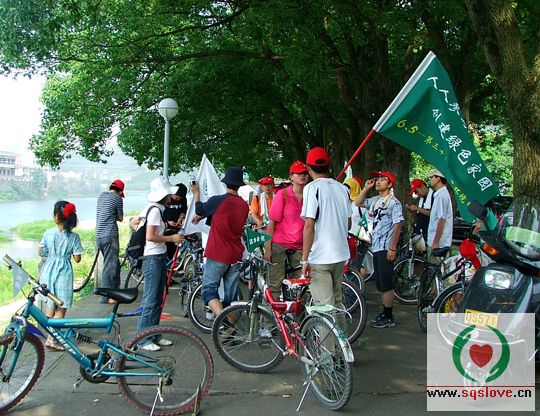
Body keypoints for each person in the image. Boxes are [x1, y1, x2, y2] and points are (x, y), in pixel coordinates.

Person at [300, 148, 351, 327]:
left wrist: (304, 259)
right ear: (328, 165)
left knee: (325, 309)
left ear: (308, 167)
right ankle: (342, 343)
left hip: (320, 257)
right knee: (337, 303)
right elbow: (348, 223)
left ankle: (329, 346)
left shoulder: (311, 188)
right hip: (340, 254)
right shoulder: (342, 188)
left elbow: (309, 225)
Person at [191, 167, 249, 320]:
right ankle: (231, 329)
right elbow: (223, 217)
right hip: (236, 255)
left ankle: (221, 321)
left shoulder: (218, 200)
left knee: (209, 291)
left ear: (225, 183)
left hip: (218, 253)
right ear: (239, 185)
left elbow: (199, 209)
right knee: (230, 299)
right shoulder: (244, 205)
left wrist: (196, 194)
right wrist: (204, 217)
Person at [136, 177, 184, 351]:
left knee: (157, 299)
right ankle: (142, 338)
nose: (171, 197)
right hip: (153, 258)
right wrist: (171, 238)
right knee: (151, 300)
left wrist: (167, 227)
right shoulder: (156, 210)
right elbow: (150, 236)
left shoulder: (154, 208)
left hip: (157, 257)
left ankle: (154, 334)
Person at [355, 170, 403, 328]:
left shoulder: (394, 203)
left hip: (386, 247)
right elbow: (358, 202)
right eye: (378, 179)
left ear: (389, 184)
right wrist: (366, 188)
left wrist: (392, 248)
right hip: (376, 246)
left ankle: (388, 315)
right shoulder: (375, 200)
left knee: (386, 282)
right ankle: (385, 312)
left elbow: (398, 224)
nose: (378, 181)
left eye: (383, 179)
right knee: (381, 282)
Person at [39, 201, 83, 350]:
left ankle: (49, 335)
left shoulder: (48, 233)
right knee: (61, 306)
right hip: (63, 272)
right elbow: (77, 258)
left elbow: (41, 251)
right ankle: (52, 339)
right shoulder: (74, 237)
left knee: (50, 303)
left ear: (56, 216)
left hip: (48, 270)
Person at [264, 161, 309, 301]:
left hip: (300, 246)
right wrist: (268, 248)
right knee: (275, 285)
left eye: (305, 173)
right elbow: (272, 222)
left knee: (302, 286)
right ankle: (270, 314)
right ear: (291, 176)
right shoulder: (282, 194)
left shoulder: (310, 195)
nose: (302, 176)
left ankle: (299, 314)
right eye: (298, 173)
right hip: (279, 245)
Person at [95, 179, 124, 304]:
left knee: (114, 263)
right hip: (110, 235)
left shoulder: (101, 196)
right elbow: (120, 218)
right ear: (120, 191)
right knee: (110, 266)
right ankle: (106, 296)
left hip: (99, 235)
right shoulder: (118, 198)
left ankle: (116, 291)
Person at [427, 169, 453, 251]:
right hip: (436, 241)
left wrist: (436, 242)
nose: (430, 179)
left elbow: (441, 219)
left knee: (434, 260)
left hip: (439, 244)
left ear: (438, 178)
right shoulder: (439, 194)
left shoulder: (442, 196)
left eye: (432, 177)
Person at [405, 178, 433, 246]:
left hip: (430, 234)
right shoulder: (421, 199)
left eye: (417, 191)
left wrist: (417, 208)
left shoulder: (434, 196)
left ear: (422, 187)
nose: (417, 194)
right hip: (421, 234)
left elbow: (434, 214)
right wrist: (413, 211)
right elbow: (418, 219)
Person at [163, 183, 188, 259]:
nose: (178, 200)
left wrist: (180, 219)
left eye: (180, 199)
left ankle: (172, 261)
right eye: (177, 198)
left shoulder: (183, 199)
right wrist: (167, 221)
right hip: (165, 227)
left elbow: (183, 211)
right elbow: (161, 214)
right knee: (166, 247)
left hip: (176, 227)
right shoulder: (166, 198)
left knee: (174, 248)